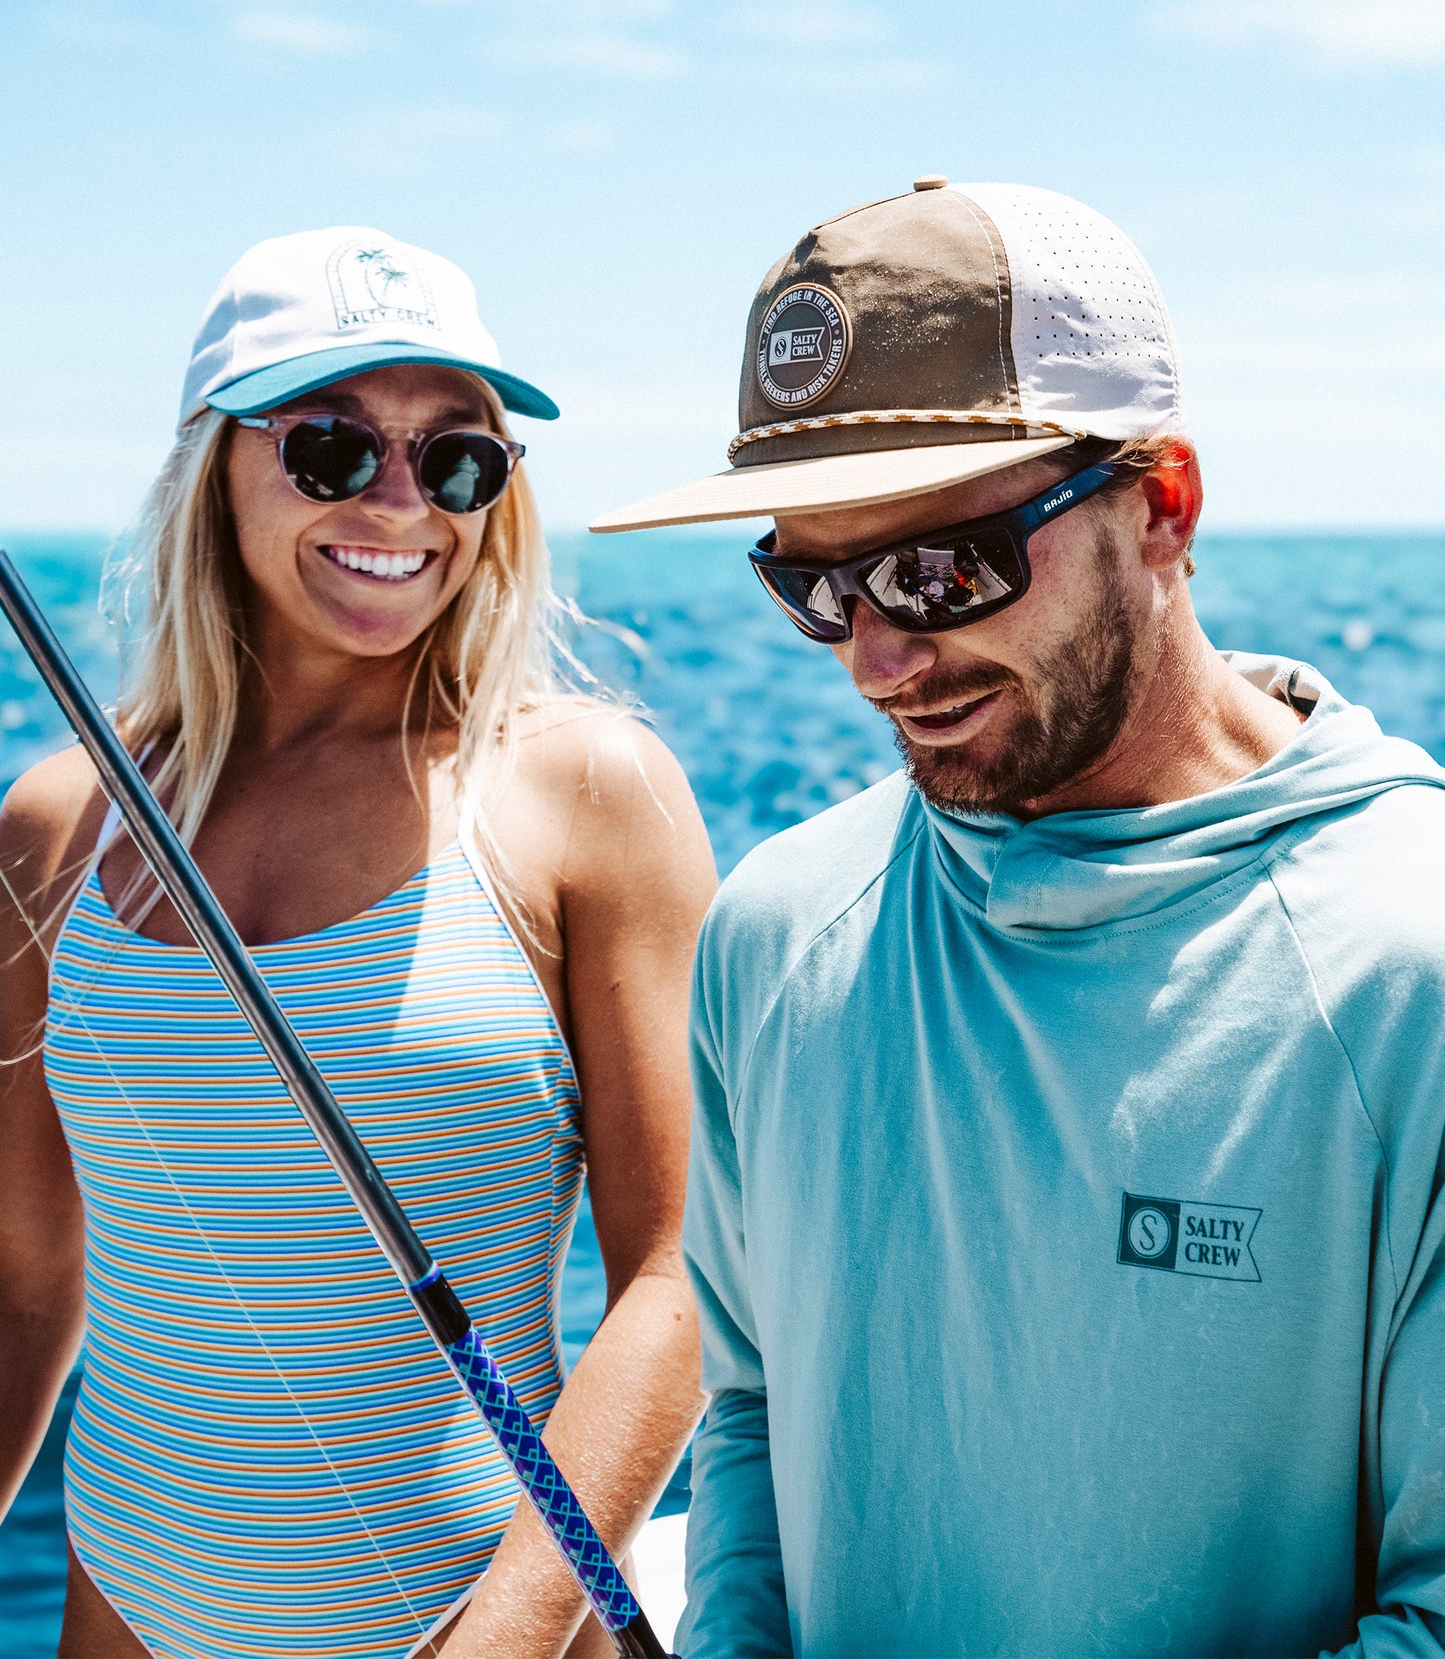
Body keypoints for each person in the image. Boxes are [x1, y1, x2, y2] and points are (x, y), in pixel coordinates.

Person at [590, 179, 1445, 1656]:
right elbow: (751, 1404)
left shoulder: (1407, 962)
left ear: (1159, 506)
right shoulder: (771, 930)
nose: (875, 660)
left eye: (937, 569)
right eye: (813, 583)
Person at [0, 227, 715, 1659]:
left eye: (458, 458)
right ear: (219, 464)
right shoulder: (56, 822)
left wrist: (502, 1635)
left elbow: (679, 1270)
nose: (404, 501)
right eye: (332, 448)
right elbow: (23, 1277)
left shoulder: (586, 790)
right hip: (122, 1621)